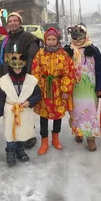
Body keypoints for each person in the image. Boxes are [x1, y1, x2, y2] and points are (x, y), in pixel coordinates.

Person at [0, 11, 40, 149]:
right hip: (9, 79)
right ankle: (15, 134)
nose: (12, 22)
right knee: (13, 108)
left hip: (23, 79)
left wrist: (30, 78)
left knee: (25, 109)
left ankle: (29, 137)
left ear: (20, 22)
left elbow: (33, 58)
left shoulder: (28, 38)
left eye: (15, 20)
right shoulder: (5, 40)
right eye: (10, 20)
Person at [31, 27, 75, 155]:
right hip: (44, 88)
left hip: (58, 89)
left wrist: (65, 89)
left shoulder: (63, 54)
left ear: (57, 40)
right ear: (45, 40)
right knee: (44, 116)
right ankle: (44, 141)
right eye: (48, 39)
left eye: (53, 39)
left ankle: (56, 138)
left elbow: (69, 72)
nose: (51, 41)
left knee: (58, 115)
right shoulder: (40, 54)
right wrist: (38, 87)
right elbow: (35, 71)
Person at [64, 24, 101, 151]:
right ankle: (78, 132)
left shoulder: (93, 50)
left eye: (81, 38)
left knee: (90, 112)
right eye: (75, 38)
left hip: (89, 88)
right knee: (75, 111)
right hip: (74, 88)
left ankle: (91, 138)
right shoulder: (68, 50)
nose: (78, 41)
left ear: (86, 36)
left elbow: (99, 69)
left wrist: (99, 86)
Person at [0, 53, 41, 166]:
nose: (17, 69)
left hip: (24, 110)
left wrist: (30, 102)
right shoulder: (4, 80)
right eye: (14, 67)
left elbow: (38, 94)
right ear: (10, 66)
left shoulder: (31, 80)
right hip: (10, 109)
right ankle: (10, 151)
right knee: (10, 133)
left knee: (22, 132)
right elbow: (0, 98)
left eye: (20, 67)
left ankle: (20, 150)